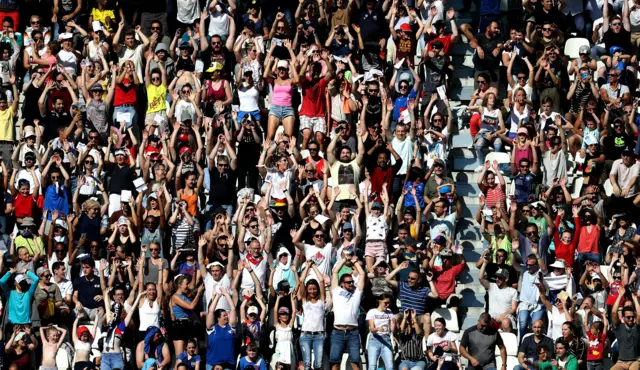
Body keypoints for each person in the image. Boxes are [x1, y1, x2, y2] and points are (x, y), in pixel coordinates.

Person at [329, 257, 366, 370]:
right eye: (348, 282)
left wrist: (354, 262)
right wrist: (345, 259)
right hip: (337, 332)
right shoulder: (336, 291)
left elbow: (362, 274)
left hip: (353, 332)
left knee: (355, 363)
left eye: (352, 281)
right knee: (335, 363)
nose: (351, 283)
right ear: (342, 284)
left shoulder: (357, 292)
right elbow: (335, 271)